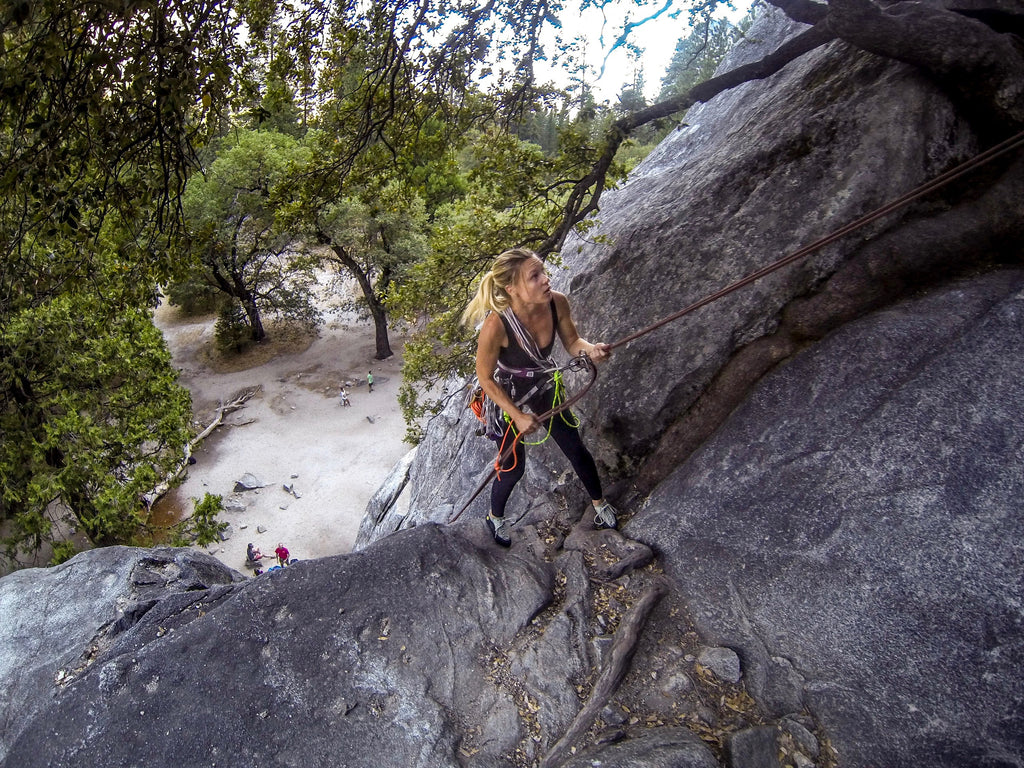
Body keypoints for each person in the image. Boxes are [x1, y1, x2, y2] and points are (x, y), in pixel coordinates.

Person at [462, 247, 618, 547]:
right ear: (512, 289)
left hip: (543, 385)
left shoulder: (557, 303)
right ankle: (494, 518)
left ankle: (599, 505)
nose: (546, 280)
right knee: (512, 467)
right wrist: (517, 415)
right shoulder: (497, 323)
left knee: (576, 448)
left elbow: (573, 342)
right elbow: (485, 378)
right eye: (535, 276)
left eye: (543, 272)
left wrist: (592, 350)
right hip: (507, 398)